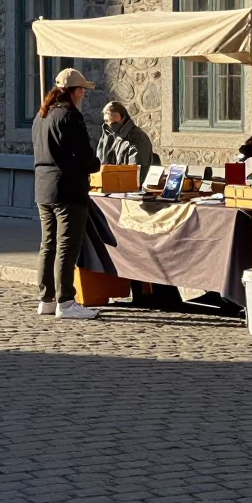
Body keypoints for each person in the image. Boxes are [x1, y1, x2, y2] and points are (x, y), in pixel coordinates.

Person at [31, 67, 102, 320]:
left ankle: (46, 298)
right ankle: (66, 301)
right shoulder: (70, 116)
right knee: (67, 246)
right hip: (68, 190)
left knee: (48, 245)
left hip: (43, 187)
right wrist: (96, 164)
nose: (83, 93)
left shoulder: (41, 115)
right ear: (72, 91)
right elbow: (84, 155)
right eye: (81, 89)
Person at [97, 102, 155, 182]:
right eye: (107, 121)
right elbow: (100, 165)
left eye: (114, 122)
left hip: (129, 188)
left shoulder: (137, 137)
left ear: (123, 118)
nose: (110, 125)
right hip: (108, 186)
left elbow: (136, 171)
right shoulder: (107, 135)